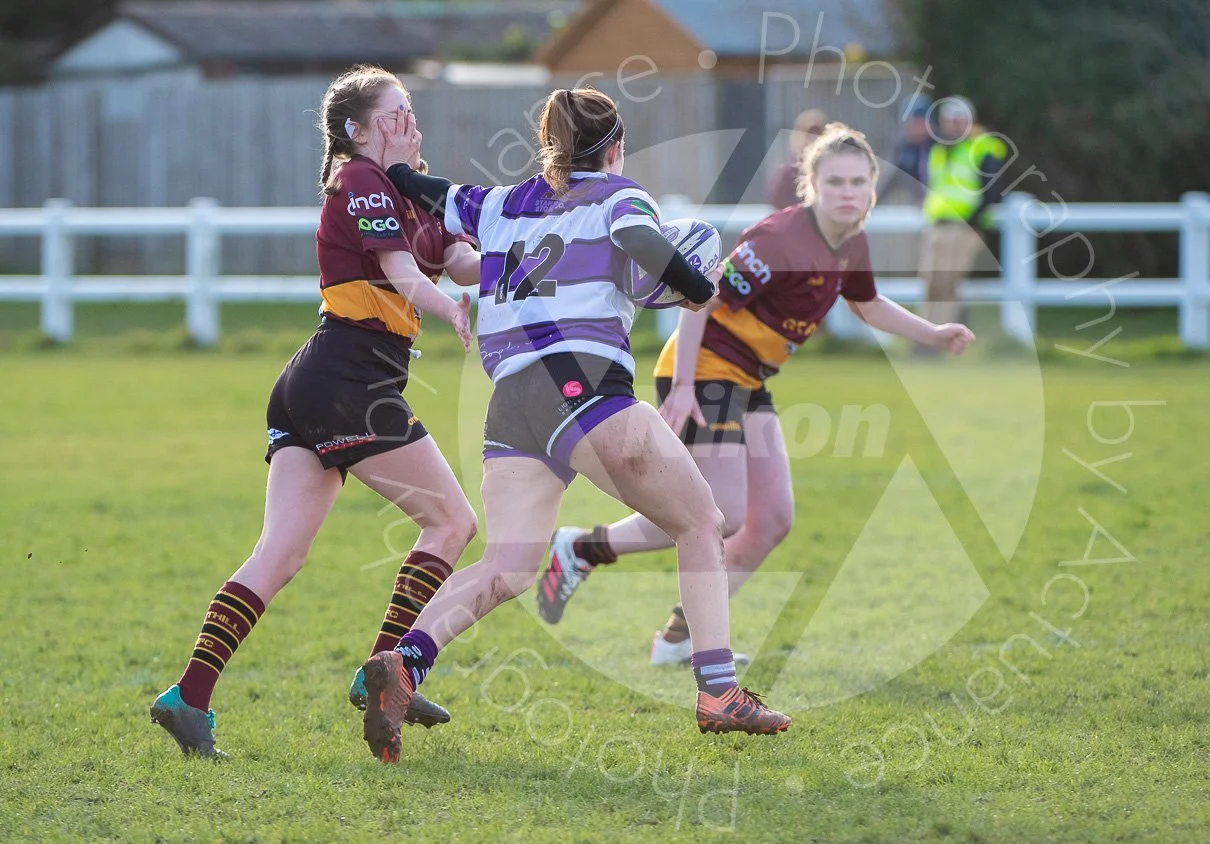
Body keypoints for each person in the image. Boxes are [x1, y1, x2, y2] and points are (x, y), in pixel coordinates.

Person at [357, 87, 792, 763]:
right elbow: (644, 244)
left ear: (548, 143)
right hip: (583, 386)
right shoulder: (620, 197)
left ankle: (405, 661)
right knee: (702, 523)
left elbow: (429, 190)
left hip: (512, 403)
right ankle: (719, 694)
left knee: (507, 566)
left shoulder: (498, 203)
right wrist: (699, 283)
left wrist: (386, 165)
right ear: (615, 147)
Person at [533, 124, 975, 665]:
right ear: (810, 184)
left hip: (747, 377)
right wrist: (686, 387)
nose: (848, 192)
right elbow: (704, 298)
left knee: (771, 521)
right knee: (722, 514)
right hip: (706, 368)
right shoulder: (779, 241)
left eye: (858, 182)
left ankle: (677, 638)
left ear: (873, 187)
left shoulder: (851, 240)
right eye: (835, 181)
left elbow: (867, 303)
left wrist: (933, 334)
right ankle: (581, 549)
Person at [148, 66, 482, 759]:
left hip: (324, 381)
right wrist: (450, 307)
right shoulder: (359, 180)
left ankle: (189, 698)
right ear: (357, 133)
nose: (408, 123)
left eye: (410, 111)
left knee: (282, 553)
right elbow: (404, 274)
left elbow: (463, 260)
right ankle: (384, 670)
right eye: (392, 116)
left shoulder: (415, 191)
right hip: (346, 382)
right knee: (452, 521)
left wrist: (523, 250)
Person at [919, 96, 1008, 329]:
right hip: (938, 224)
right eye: (950, 120)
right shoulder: (939, 150)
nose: (954, 125)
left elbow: (992, 192)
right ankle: (925, 334)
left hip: (965, 227)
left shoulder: (981, 149)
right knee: (931, 282)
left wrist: (974, 221)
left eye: (960, 120)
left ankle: (943, 335)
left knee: (948, 282)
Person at [763, 108, 827, 209]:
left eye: (818, 134)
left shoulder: (832, 168)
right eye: (809, 134)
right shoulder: (790, 172)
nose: (813, 139)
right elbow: (776, 200)